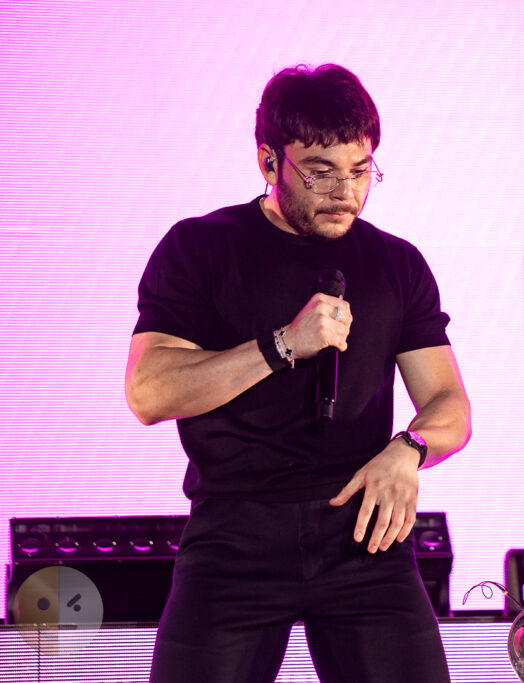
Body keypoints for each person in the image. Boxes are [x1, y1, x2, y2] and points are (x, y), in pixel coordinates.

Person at [126, 64, 470, 683]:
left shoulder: (396, 263)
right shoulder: (201, 248)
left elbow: (450, 404)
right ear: (269, 161)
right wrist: (282, 345)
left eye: (360, 171)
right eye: (320, 171)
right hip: (235, 534)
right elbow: (149, 392)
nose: (345, 192)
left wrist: (410, 449)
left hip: (363, 534)